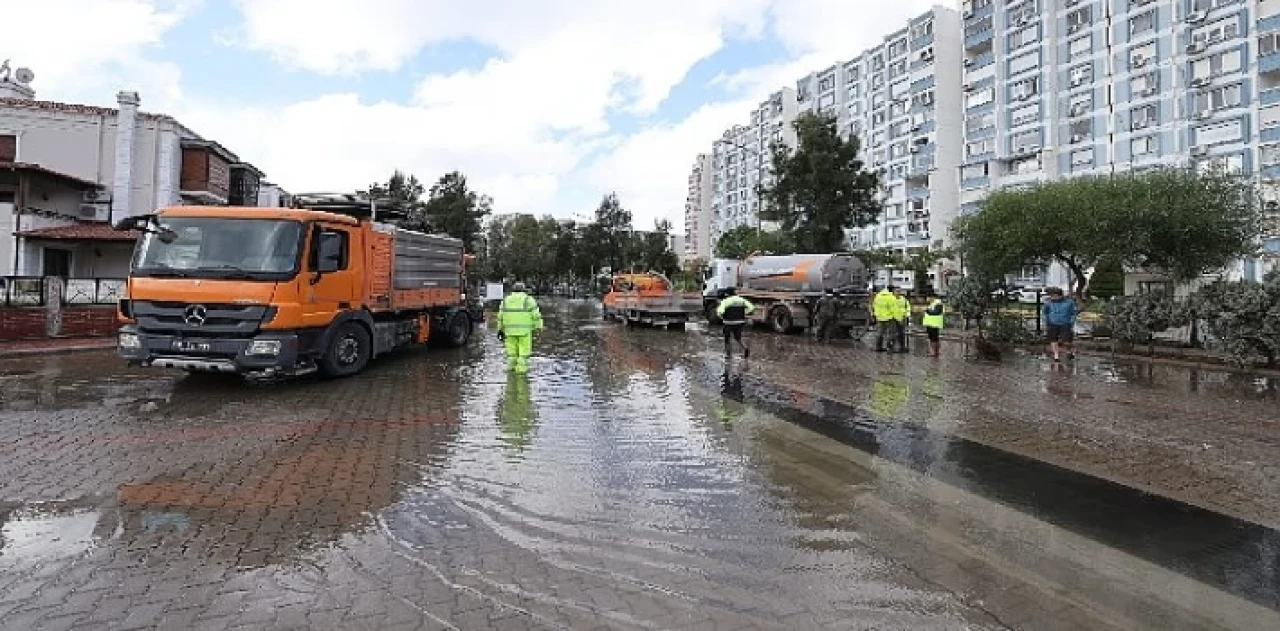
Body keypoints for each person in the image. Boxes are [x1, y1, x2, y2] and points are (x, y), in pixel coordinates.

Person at [496, 282, 543, 374]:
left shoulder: (505, 300)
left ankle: (511, 373)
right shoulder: (528, 300)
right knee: (523, 354)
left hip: (509, 331)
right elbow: (536, 315)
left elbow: (500, 317)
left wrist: (500, 329)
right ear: (524, 290)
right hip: (524, 331)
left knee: (511, 354)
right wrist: (539, 327)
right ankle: (521, 375)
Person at [1042, 287, 1079, 363]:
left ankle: (1069, 351)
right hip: (1052, 323)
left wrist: (1071, 321)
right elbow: (1045, 312)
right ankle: (1056, 356)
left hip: (1065, 323)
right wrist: (1046, 321)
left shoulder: (1069, 302)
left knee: (1066, 341)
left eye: (1054, 296)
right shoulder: (1048, 302)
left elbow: (1073, 313)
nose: (1052, 297)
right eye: (1051, 296)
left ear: (1060, 295)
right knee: (1053, 340)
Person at [715, 288, 754, 358]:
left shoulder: (725, 301)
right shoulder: (742, 300)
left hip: (728, 322)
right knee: (738, 338)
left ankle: (728, 354)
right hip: (740, 322)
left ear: (727, 294)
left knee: (727, 338)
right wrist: (744, 312)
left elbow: (720, 311)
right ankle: (745, 348)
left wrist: (720, 316)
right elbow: (751, 307)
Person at [873, 285, 900, 352]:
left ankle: (878, 347)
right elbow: (894, 310)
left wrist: (876, 314)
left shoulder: (878, 296)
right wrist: (899, 319)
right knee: (891, 333)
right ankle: (890, 348)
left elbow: (874, 305)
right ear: (892, 290)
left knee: (880, 332)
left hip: (879, 317)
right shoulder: (891, 298)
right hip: (889, 317)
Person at [894, 287, 911, 353]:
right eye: (897, 291)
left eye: (899, 291)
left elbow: (908, 308)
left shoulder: (904, 300)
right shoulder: (891, 300)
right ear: (894, 292)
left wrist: (907, 315)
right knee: (894, 333)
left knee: (902, 333)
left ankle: (902, 346)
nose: (898, 293)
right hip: (894, 319)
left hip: (903, 318)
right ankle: (894, 347)